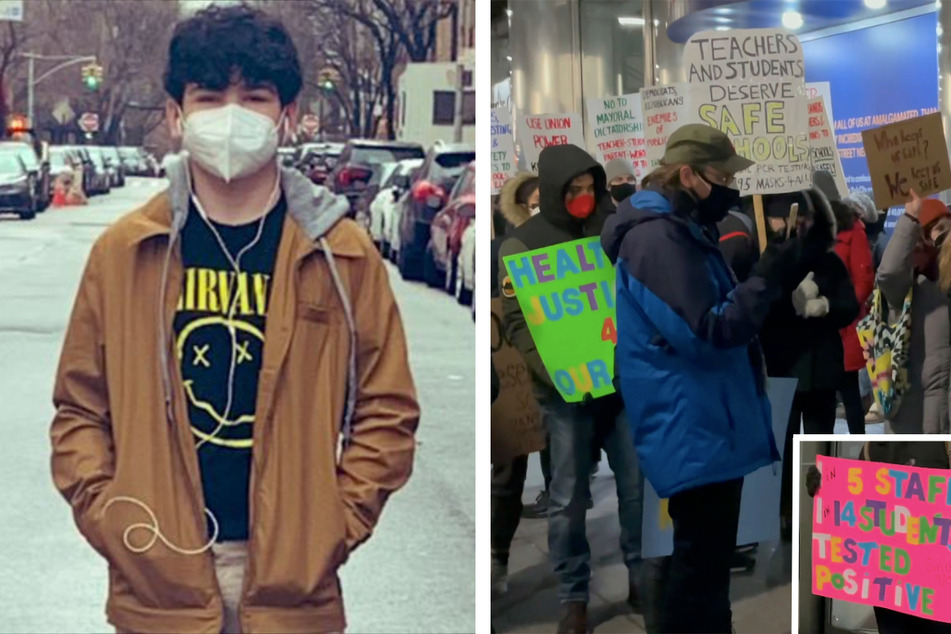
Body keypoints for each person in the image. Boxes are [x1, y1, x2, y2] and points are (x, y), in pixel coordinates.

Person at [49, 6, 419, 634]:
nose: (230, 116)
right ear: (175, 115)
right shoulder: (124, 252)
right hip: (156, 582)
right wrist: (111, 518)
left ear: (289, 115)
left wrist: (332, 526)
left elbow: (387, 411)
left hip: (291, 589)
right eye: (209, 96)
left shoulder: (343, 255)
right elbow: (80, 408)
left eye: (254, 97)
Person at [600, 124, 792, 633]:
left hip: (703, 420)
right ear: (687, 173)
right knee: (697, 570)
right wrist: (764, 278)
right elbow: (708, 329)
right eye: (721, 175)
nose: (729, 185)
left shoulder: (678, 230)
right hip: (693, 424)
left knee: (703, 569)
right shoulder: (656, 239)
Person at [500, 144, 643, 634]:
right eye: (573, 189)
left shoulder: (614, 231)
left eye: (590, 187)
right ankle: (573, 597)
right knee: (566, 502)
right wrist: (557, 372)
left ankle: (642, 577)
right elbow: (519, 323)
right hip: (564, 397)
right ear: (555, 190)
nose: (584, 197)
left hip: (620, 389)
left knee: (636, 490)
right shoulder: (521, 245)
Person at [755, 187, 859, 539]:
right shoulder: (769, 261)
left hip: (820, 372)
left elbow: (850, 304)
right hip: (783, 370)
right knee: (781, 449)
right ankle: (785, 512)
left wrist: (825, 306)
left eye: (802, 217)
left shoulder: (828, 261)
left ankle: (820, 507)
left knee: (819, 446)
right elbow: (754, 307)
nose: (796, 224)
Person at [806, 441, 951, 634]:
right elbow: (855, 503)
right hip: (891, 591)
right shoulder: (872, 448)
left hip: (938, 589)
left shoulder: (943, 445)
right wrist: (825, 486)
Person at [490, 172, 548, 593]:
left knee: (565, 475)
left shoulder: (572, 250)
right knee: (508, 475)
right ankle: (497, 556)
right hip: (513, 385)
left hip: (560, 382)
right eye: (532, 203)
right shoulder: (501, 253)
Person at [877, 191, 951, 434]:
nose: (946, 235)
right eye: (939, 228)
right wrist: (910, 218)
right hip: (912, 412)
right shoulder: (907, 284)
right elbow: (887, 273)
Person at [831, 199, 874, 435]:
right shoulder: (810, 227)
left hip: (842, 323)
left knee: (849, 392)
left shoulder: (853, 231)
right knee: (823, 398)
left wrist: (844, 309)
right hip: (815, 327)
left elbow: (864, 280)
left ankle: (859, 448)